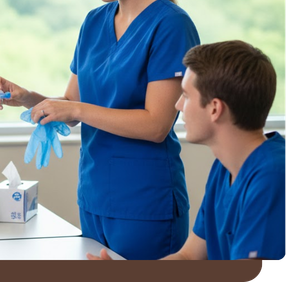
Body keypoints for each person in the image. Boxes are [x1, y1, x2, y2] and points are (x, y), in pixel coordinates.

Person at [0, 0, 200, 260]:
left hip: (145, 201)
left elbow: (156, 124)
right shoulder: (94, 22)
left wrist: (74, 107)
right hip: (94, 194)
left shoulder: (170, 26)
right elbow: (73, 107)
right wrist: (30, 99)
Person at [87, 40, 286, 261]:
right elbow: (188, 257)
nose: (178, 105)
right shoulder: (225, 167)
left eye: (186, 96)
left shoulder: (273, 177)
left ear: (215, 109)